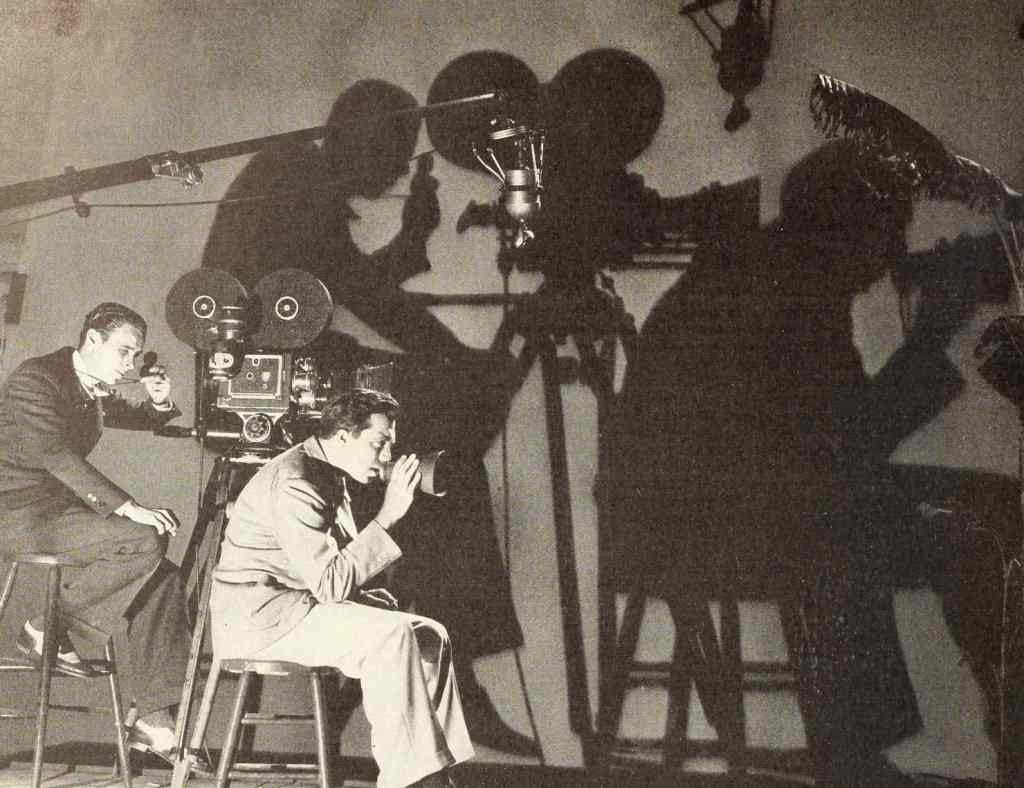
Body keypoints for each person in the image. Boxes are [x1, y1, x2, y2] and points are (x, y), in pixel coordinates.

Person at [209, 388, 474, 788]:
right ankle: (414, 781)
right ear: (344, 436)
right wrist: (387, 517)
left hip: (296, 605)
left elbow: (321, 568)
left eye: (389, 445)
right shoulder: (296, 481)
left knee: (428, 635)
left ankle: (436, 767)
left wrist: (363, 597)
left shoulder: (327, 470)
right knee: (394, 636)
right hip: (261, 621)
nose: (387, 457)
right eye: (379, 444)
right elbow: (330, 584)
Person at [0, 302, 203, 767]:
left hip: (57, 512)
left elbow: (134, 415)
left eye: (137, 355)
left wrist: (157, 401)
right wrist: (129, 506)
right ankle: (44, 627)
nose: (130, 364)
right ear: (92, 339)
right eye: (125, 352)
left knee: (162, 575)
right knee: (143, 539)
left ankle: (154, 719)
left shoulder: (87, 382)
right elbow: (56, 455)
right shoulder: (37, 379)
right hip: (16, 514)